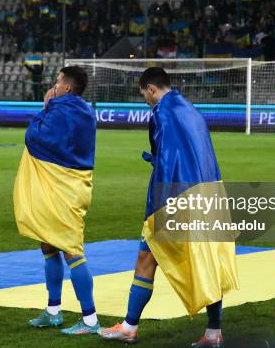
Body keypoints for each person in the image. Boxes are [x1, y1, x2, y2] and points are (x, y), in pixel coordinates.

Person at [98, 68, 238, 346]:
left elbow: (169, 163)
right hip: (210, 192)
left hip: (178, 197)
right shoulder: (190, 109)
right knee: (208, 261)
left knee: (146, 258)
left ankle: (129, 326)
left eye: (143, 93)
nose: (145, 99)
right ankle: (213, 332)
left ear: (151, 89)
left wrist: (155, 208)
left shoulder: (162, 113)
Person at [13, 66, 100, 335]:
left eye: (59, 80)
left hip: (65, 189)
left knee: (72, 251)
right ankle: (53, 311)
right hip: (67, 185)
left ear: (67, 88)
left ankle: (90, 319)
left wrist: (45, 107)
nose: (54, 83)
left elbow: (34, 137)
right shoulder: (84, 110)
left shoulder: (61, 110)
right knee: (48, 245)